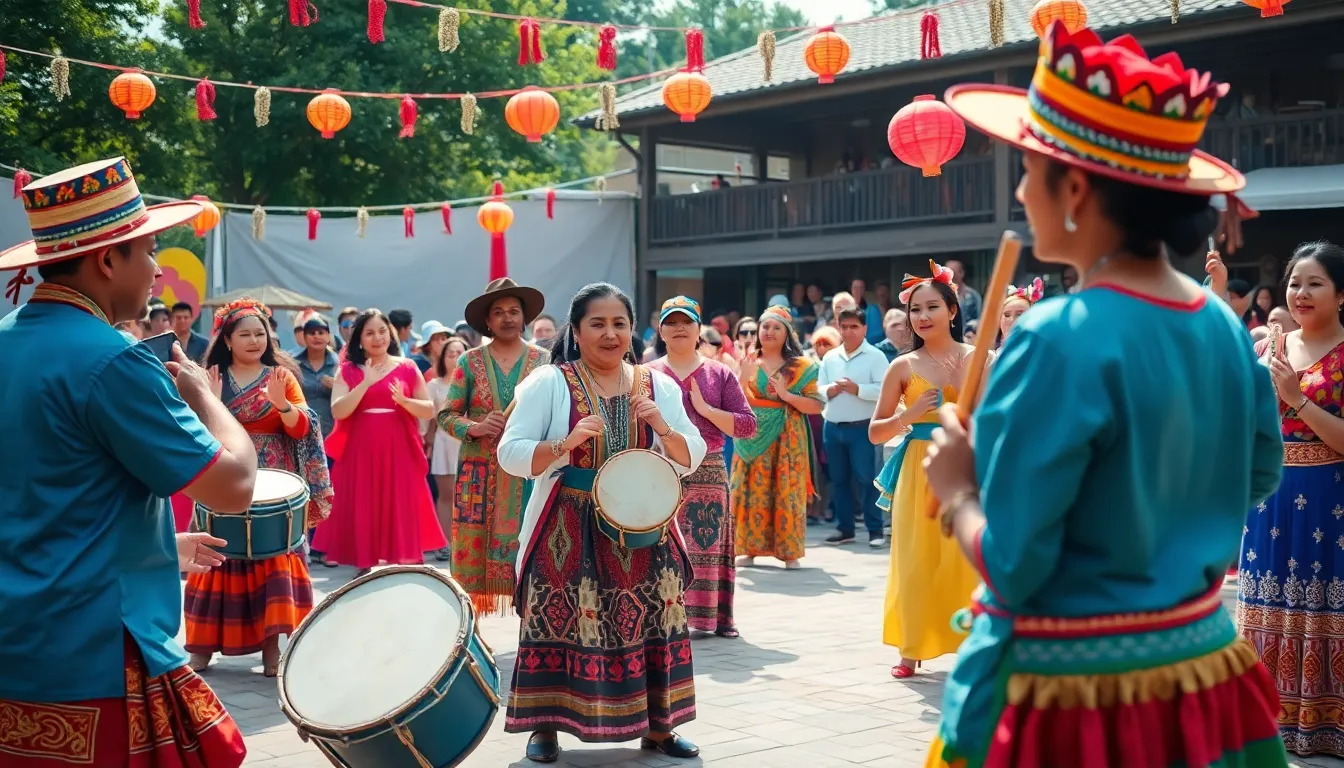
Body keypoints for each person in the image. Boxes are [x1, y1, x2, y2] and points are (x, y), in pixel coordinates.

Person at [919, 23, 1287, 766]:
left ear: (1077, 188)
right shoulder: (1219, 320)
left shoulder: (1056, 336)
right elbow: (1258, 476)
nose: (1022, 191)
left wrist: (959, 491)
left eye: (1028, 170)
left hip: (1078, 698)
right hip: (1198, 670)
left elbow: (1017, 564)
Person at [0, 157, 254, 766]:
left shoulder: (7, 337)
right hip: (94, 648)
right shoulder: (115, 359)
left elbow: (43, 488)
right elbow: (234, 485)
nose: (158, 266)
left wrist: (159, 544)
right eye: (148, 249)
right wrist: (207, 400)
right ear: (107, 260)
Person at [498, 283, 707, 764]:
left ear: (633, 330)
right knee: (556, 617)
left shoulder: (659, 386)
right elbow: (510, 454)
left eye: (620, 323)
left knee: (658, 617)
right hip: (567, 526)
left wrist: (665, 430)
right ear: (576, 331)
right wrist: (563, 445)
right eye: (598, 323)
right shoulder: (549, 382)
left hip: (644, 525)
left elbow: (691, 455)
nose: (610, 334)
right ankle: (543, 725)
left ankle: (660, 726)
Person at [184, 298, 332, 676]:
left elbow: (302, 429)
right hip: (226, 475)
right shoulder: (209, 377)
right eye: (244, 334)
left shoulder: (281, 377)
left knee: (272, 559)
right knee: (217, 556)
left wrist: (284, 407)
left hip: (274, 481)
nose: (254, 341)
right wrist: (211, 404)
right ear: (227, 340)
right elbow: (193, 428)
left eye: (260, 333)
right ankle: (201, 647)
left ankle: (272, 649)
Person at [1237, 241, 1344, 757]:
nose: (1300, 293)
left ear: (1341, 294)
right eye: (1294, 283)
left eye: (1315, 283)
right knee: (1265, 607)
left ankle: (1328, 721)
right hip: (1268, 503)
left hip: (1330, 502)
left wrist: (1297, 399)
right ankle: (1266, 720)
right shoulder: (1266, 350)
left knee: (1325, 605)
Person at [870, 261, 982, 680]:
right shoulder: (901, 367)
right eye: (916, 309)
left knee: (964, 558)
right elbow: (875, 433)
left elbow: (992, 416)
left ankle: (971, 645)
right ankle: (911, 645)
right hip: (918, 468)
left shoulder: (980, 357)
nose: (922, 316)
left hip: (963, 463)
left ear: (953, 311)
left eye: (932, 307)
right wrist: (911, 413)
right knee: (915, 559)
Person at [437, 278, 550, 613]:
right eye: (498, 312)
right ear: (487, 321)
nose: (507, 318)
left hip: (528, 469)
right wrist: (476, 427)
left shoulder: (545, 362)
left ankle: (533, 631)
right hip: (479, 473)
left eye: (514, 311)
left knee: (532, 545)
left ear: (524, 317)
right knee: (472, 554)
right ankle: (472, 635)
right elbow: (446, 415)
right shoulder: (469, 362)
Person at [649, 296, 757, 638]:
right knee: (660, 543)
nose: (679, 328)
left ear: (699, 329)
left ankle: (716, 618)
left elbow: (746, 425)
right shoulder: (646, 374)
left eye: (687, 322)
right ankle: (663, 616)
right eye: (672, 322)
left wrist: (707, 410)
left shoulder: (720, 374)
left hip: (709, 469)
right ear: (661, 330)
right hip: (660, 470)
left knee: (708, 543)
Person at [314, 309, 446, 576]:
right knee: (365, 500)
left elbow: (429, 409)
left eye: (382, 331)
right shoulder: (349, 370)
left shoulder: (407, 367)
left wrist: (406, 402)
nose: (377, 338)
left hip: (399, 444)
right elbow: (339, 410)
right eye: (370, 333)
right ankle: (365, 561)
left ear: (391, 334)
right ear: (359, 339)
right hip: (361, 445)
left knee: (401, 499)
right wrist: (365, 384)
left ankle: (403, 561)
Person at [732, 305, 824, 569]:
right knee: (749, 489)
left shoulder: (803, 366)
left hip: (788, 437)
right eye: (765, 327)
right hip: (751, 435)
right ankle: (747, 548)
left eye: (776, 328)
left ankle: (789, 552)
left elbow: (816, 406)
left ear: (788, 333)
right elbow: (735, 402)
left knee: (788, 491)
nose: (769, 332)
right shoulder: (748, 362)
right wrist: (743, 378)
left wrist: (786, 396)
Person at [818, 306, 889, 547]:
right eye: (844, 327)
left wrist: (858, 389)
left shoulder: (876, 356)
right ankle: (844, 528)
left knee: (867, 479)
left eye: (854, 327)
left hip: (862, 428)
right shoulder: (830, 357)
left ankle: (875, 530)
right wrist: (831, 390)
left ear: (865, 329)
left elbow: (884, 390)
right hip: (833, 426)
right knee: (839, 480)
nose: (848, 332)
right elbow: (818, 390)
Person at [425, 336, 468, 561]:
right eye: (450, 353)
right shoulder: (434, 385)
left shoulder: (472, 382)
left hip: (468, 442)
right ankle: (444, 542)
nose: (455, 357)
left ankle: (465, 541)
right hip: (444, 442)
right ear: (443, 358)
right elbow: (428, 419)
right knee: (446, 495)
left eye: (460, 352)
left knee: (467, 496)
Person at [996, 277, 1043, 346]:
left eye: (1019, 314)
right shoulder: (988, 355)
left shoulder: (1042, 353)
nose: (1012, 320)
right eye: (1007, 315)